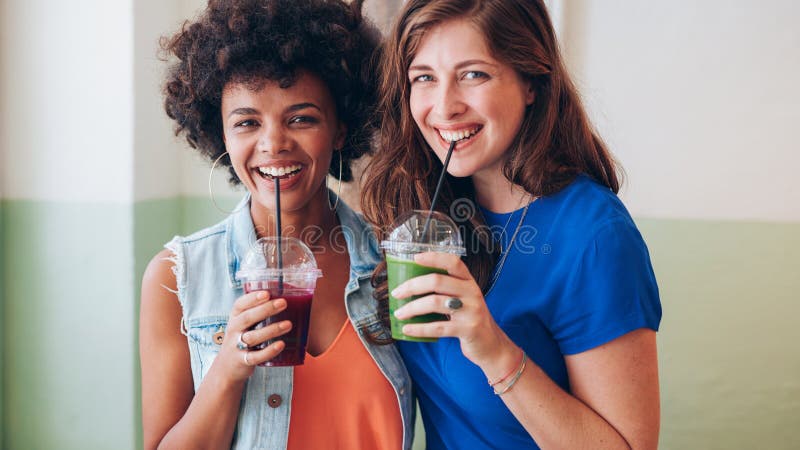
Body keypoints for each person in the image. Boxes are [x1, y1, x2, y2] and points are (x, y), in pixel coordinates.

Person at [361, 0, 662, 449]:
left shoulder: (595, 236)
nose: (444, 106)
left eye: (473, 74)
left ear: (531, 83)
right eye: (424, 77)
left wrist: (493, 350)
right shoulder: (428, 205)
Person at [139, 1, 414, 449]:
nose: (273, 144)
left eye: (301, 119)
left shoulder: (390, 264)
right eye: (247, 122)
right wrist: (228, 367)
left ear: (340, 129)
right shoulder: (176, 278)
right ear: (221, 134)